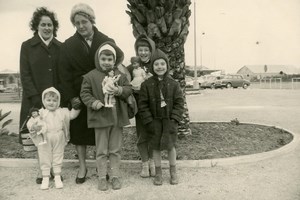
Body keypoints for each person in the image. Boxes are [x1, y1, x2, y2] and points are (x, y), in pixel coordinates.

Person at [58, 3, 114, 184]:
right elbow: (63, 74)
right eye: (77, 23)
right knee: (79, 133)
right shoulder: (67, 45)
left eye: (84, 21)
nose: (81, 26)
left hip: (100, 94)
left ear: (91, 20)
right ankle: (82, 166)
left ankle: (101, 166)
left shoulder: (106, 40)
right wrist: (72, 97)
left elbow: (115, 63)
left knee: (101, 133)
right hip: (78, 95)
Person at [80, 42, 132, 191]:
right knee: (101, 150)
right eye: (103, 59)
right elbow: (84, 93)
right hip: (100, 117)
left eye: (110, 59)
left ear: (114, 61)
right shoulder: (90, 76)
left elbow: (128, 89)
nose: (106, 62)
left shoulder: (120, 76)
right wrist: (93, 102)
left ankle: (115, 176)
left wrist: (119, 90)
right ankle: (102, 177)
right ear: (98, 59)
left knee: (115, 149)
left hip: (116, 117)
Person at [19, 7, 61, 184]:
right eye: (43, 24)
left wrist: (59, 98)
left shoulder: (61, 46)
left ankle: (55, 169)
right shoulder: (27, 46)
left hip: (54, 101)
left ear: (54, 27)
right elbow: (25, 74)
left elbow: (63, 73)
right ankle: (42, 170)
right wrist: (35, 98)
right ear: (36, 26)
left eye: (50, 24)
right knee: (39, 135)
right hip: (34, 100)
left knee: (54, 135)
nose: (46, 28)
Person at [138, 49, 184, 186]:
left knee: (171, 147)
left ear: (167, 66)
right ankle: (158, 173)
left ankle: (173, 172)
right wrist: (149, 122)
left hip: (169, 121)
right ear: (152, 67)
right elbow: (143, 105)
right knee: (156, 148)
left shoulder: (174, 84)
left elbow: (179, 103)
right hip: (154, 122)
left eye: (162, 64)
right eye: (156, 64)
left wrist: (175, 119)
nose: (159, 67)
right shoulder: (146, 85)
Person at [27, 87, 80, 190]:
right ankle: (45, 177)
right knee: (44, 156)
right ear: (43, 100)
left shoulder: (62, 111)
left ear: (58, 101)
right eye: (48, 100)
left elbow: (72, 115)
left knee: (58, 155)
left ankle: (57, 176)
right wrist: (34, 126)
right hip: (45, 137)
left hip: (58, 136)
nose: (51, 103)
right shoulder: (40, 113)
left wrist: (77, 107)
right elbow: (30, 123)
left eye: (54, 100)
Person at [127, 34, 156, 178]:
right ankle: (144, 163)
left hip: (153, 106)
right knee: (141, 134)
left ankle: (152, 162)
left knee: (152, 133)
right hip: (139, 106)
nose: (143, 53)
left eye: (146, 50)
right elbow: (123, 77)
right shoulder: (132, 65)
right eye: (140, 50)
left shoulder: (156, 64)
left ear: (151, 51)